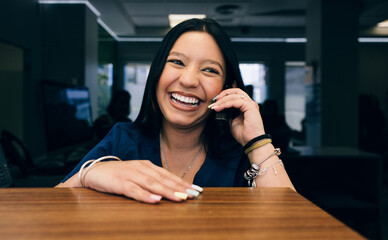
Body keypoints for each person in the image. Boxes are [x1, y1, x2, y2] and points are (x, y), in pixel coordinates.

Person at [56, 18, 295, 203]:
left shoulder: (239, 154)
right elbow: (51, 208)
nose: (189, 81)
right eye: (177, 62)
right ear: (157, 72)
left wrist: (257, 142)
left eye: (210, 70)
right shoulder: (122, 139)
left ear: (228, 88)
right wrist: (90, 174)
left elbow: (290, 225)